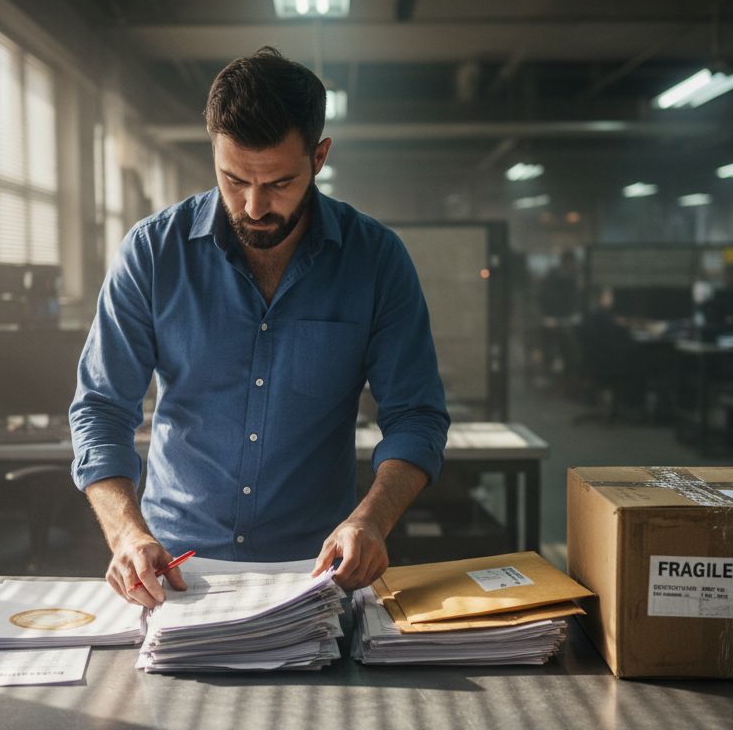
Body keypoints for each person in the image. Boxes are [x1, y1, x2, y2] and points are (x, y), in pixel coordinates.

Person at [69, 47, 450, 608]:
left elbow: (415, 414)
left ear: (319, 157)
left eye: (278, 184)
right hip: (177, 573)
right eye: (233, 179)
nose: (253, 206)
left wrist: (370, 521)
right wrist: (127, 533)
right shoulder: (153, 254)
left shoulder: (376, 260)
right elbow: (100, 407)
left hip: (316, 572)